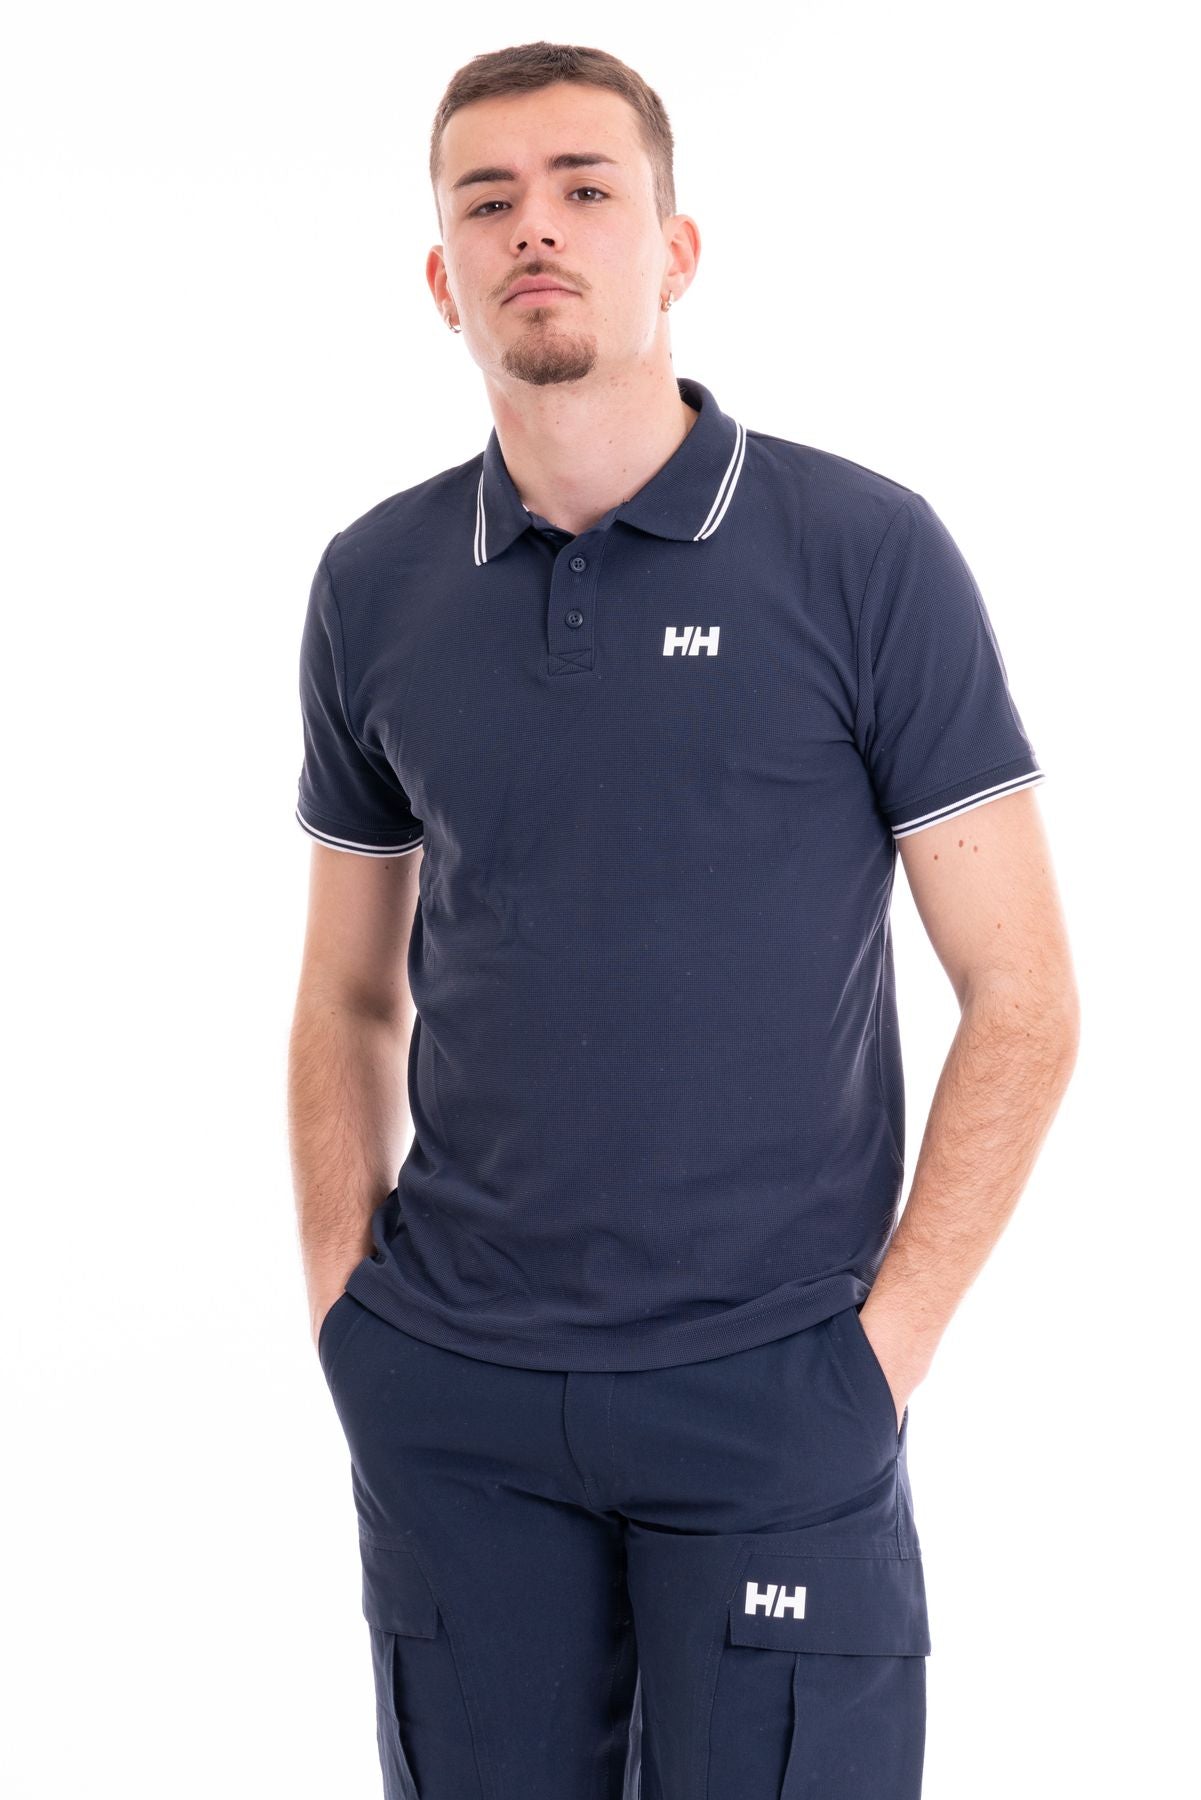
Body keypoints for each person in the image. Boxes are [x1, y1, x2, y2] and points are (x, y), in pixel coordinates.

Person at [288, 39, 1080, 1800]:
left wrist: (879, 1357)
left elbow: (1020, 989)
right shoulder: (374, 583)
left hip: (771, 1396)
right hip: (454, 1407)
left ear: (675, 248)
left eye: (584, 189)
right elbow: (346, 993)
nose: (535, 229)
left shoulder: (862, 552)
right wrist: (346, 1309)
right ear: (442, 276)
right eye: (487, 201)